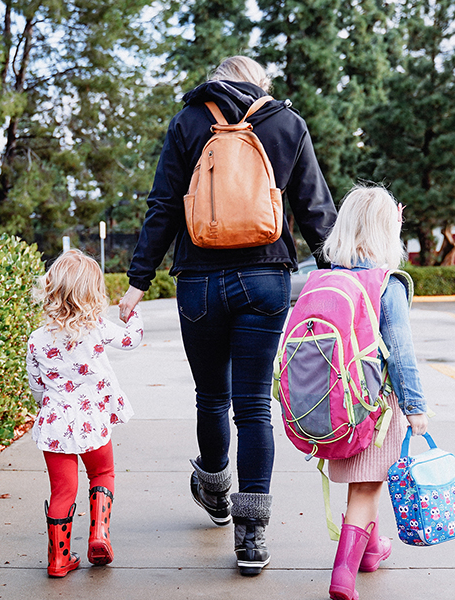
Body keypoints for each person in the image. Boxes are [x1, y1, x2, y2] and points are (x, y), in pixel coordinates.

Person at [118, 55, 337, 575]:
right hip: (265, 278)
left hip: (199, 281)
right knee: (254, 406)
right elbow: (314, 207)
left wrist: (137, 282)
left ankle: (214, 488)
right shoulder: (287, 122)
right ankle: (252, 535)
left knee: (212, 396)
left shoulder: (190, 120)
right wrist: (335, 274)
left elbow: (164, 205)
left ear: (217, 78)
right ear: (259, 83)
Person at [321, 185, 429, 600]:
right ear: (389, 232)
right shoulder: (388, 284)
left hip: (336, 402)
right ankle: (342, 578)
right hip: (376, 407)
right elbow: (400, 352)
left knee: (366, 481)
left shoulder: (330, 277)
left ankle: (371, 553)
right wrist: (416, 407)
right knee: (365, 489)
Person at [26, 249, 143, 578]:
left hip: (55, 425)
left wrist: (47, 407)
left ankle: (58, 559)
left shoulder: (36, 340)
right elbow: (132, 340)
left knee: (62, 490)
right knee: (102, 473)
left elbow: (37, 386)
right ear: (93, 293)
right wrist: (133, 316)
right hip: (92, 421)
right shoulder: (97, 328)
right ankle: (99, 535)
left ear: (52, 290)